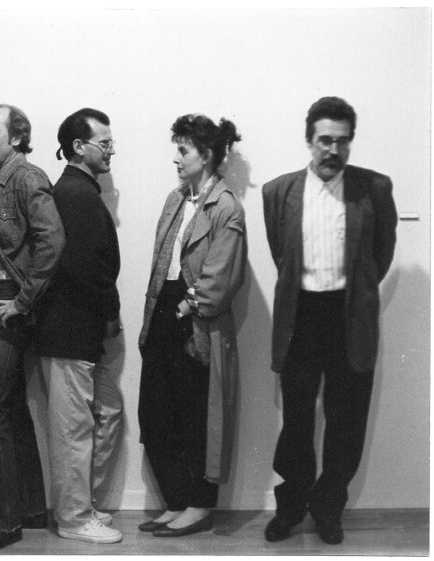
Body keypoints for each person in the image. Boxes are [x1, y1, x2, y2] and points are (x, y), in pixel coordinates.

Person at [262, 96, 398, 545]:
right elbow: (282, 256)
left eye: (342, 142)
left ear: (350, 143)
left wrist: (354, 292)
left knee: (346, 422)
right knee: (296, 423)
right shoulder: (277, 192)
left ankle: (327, 509)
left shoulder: (374, 188)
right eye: (324, 140)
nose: (332, 150)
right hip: (300, 317)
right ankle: (290, 508)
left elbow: (379, 256)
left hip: (349, 318)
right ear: (310, 141)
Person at [137, 114, 246, 538]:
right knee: (156, 415)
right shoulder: (175, 199)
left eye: (183, 150)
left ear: (208, 154)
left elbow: (220, 278)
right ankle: (178, 501)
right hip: (163, 314)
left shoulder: (226, 206)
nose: (176, 158)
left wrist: (184, 309)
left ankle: (199, 507)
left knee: (196, 419)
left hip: (196, 323)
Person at [0, 104, 65, 555]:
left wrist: (22, 301)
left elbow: (53, 240)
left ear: (18, 137)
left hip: (4, 309)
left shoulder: (25, 177)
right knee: (9, 408)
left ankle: (1, 524)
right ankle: (28, 510)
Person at [33, 108, 123, 544]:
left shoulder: (77, 191)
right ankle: (72, 518)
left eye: (111, 142)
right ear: (78, 147)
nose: (111, 150)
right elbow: (84, 266)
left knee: (105, 414)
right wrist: (110, 311)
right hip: (69, 330)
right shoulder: (77, 194)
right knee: (73, 430)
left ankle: (82, 507)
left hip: (78, 331)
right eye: (104, 143)